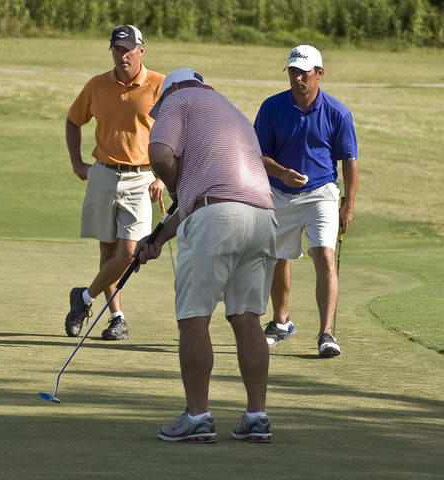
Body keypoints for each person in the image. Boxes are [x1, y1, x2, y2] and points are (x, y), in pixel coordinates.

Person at [136, 68, 278, 443]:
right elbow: (208, 195)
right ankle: (256, 416)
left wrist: (176, 187)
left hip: (217, 217)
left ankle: (198, 416)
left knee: (194, 319)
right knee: (247, 318)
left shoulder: (177, 99)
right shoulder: (228, 108)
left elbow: (160, 153)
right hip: (263, 217)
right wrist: (159, 238)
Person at [254, 45, 358, 357]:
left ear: (319, 74)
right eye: (293, 71)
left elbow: (349, 161)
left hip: (321, 193)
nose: (297, 78)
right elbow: (257, 154)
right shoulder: (272, 108)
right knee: (278, 258)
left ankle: (326, 333)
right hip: (280, 193)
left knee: (324, 254)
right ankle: (280, 322)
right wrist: (282, 173)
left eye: (304, 72)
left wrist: (348, 205)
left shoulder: (337, 112)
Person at [64, 25, 164, 341]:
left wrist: (161, 175)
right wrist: (77, 163)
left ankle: (83, 298)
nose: (122, 55)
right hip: (103, 174)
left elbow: (173, 133)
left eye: (128, 50)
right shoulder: (97, 85)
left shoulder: (158, 85)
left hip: (142, 177)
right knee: (108, 254)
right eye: (117, 50)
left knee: (130, 253)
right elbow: (73, 120)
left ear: (141, 50)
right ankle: (116, 318)